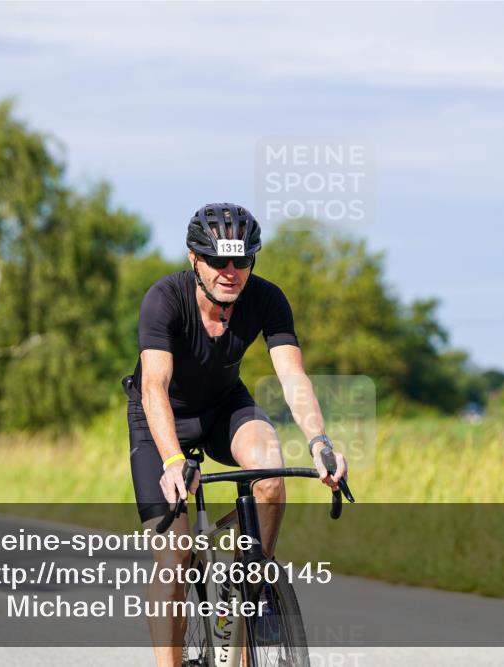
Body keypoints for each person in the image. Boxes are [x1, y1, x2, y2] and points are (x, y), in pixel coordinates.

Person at [124, 202, 348, 666]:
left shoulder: (266, 299)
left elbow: (292, 377)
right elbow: (154, 387)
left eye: (241, 261)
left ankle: (255, 586)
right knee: (175, 558)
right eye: (218, 261)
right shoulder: (164, 299)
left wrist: (320, 443)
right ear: (194, 259)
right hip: (161, 419)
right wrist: (171, 462)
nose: (230, 272)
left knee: (269, 473)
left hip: (224, 407)